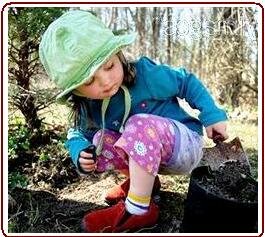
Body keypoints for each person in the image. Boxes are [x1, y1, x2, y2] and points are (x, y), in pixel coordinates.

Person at [39, 10, 228, 233]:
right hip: (148, 156)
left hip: (182, 145)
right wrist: (80, 150)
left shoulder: (146, 75)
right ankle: (145, 185)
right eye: (89, 81)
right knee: (100, 138)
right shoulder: (89, 106)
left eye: (109, 66)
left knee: (138, 125)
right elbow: (77, 133)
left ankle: (139, 210)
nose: (106, 81)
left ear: (118, 55)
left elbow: (186, 81)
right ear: (76, 90)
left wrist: (212, 115)